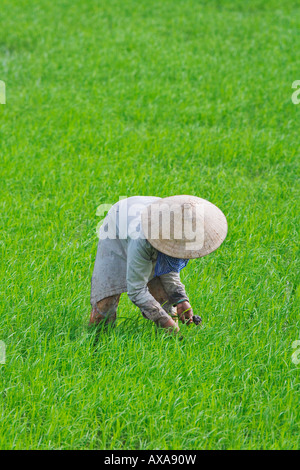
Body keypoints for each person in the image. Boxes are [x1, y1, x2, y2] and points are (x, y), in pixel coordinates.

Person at [89, 195, 227, 334]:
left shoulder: (182, 232)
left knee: (165, 301)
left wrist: (181, 299)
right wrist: (164, 321)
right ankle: (96, 344)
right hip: (118, 229)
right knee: (104, 308)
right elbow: (136, 289)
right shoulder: (142, 240)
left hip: (147, 218)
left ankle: (166, 343)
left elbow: (169, 269)